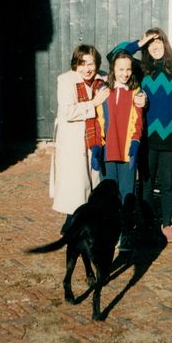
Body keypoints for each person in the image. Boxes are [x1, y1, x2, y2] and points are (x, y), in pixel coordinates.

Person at [109, 28, 172, 243]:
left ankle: (166, 223)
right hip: (146, 136)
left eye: (159, 41)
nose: (155, 46)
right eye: (150, 43)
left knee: (168, 183)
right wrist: (139, 42)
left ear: (166, 43)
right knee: (145, 182)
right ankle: (145, 224)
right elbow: (114, 55)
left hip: (171, 136)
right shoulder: (139, 68)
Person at [49, 44, 110, 234]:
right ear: (75, 64)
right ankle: (72, 222)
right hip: (74, 139)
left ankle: (87, 221)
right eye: (81, 64)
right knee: (76, 184)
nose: (87, 69)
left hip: (95, 137)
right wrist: (93, 103)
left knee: (94, 180)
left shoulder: (102, 79)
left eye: (90, 64)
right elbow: (67, 111)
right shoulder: (66, 80)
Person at [96, 50, 144, 249]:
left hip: (126, 154)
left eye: (128, 69)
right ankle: (109, 233)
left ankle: (125, 233)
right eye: (120, 69)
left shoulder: (136, 93)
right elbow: (97, 120)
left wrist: (135, 143)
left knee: (127, 194)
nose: (125, 73)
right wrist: (97, 146)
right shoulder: (103, 91)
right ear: (113, 70)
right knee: (108, 196)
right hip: (108, 152)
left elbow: (138, 122)